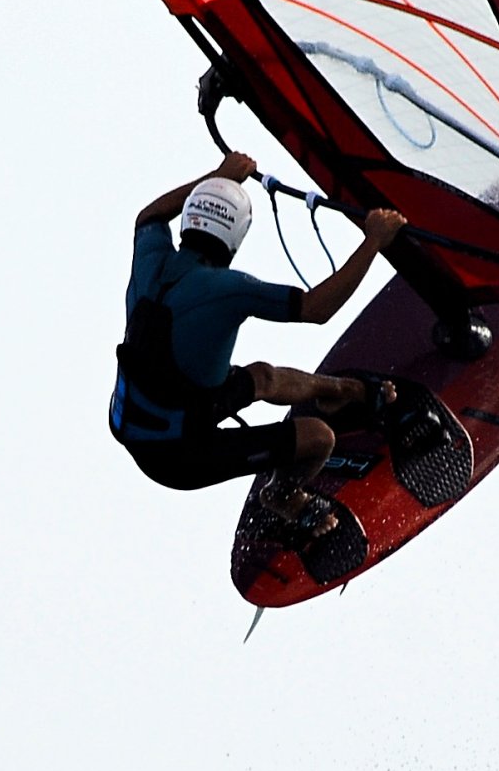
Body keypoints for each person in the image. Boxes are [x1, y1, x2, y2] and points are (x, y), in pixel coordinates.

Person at [109, 149, 406, 545]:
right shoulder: (228, 289)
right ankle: (284, 496)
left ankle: (345, 394)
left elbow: (148, 216)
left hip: (156, 412)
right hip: (176, 455)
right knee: (318, 438)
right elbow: (317, 310)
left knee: (263, 377)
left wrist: (218, 176)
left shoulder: (152, 259)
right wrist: (374, 241)